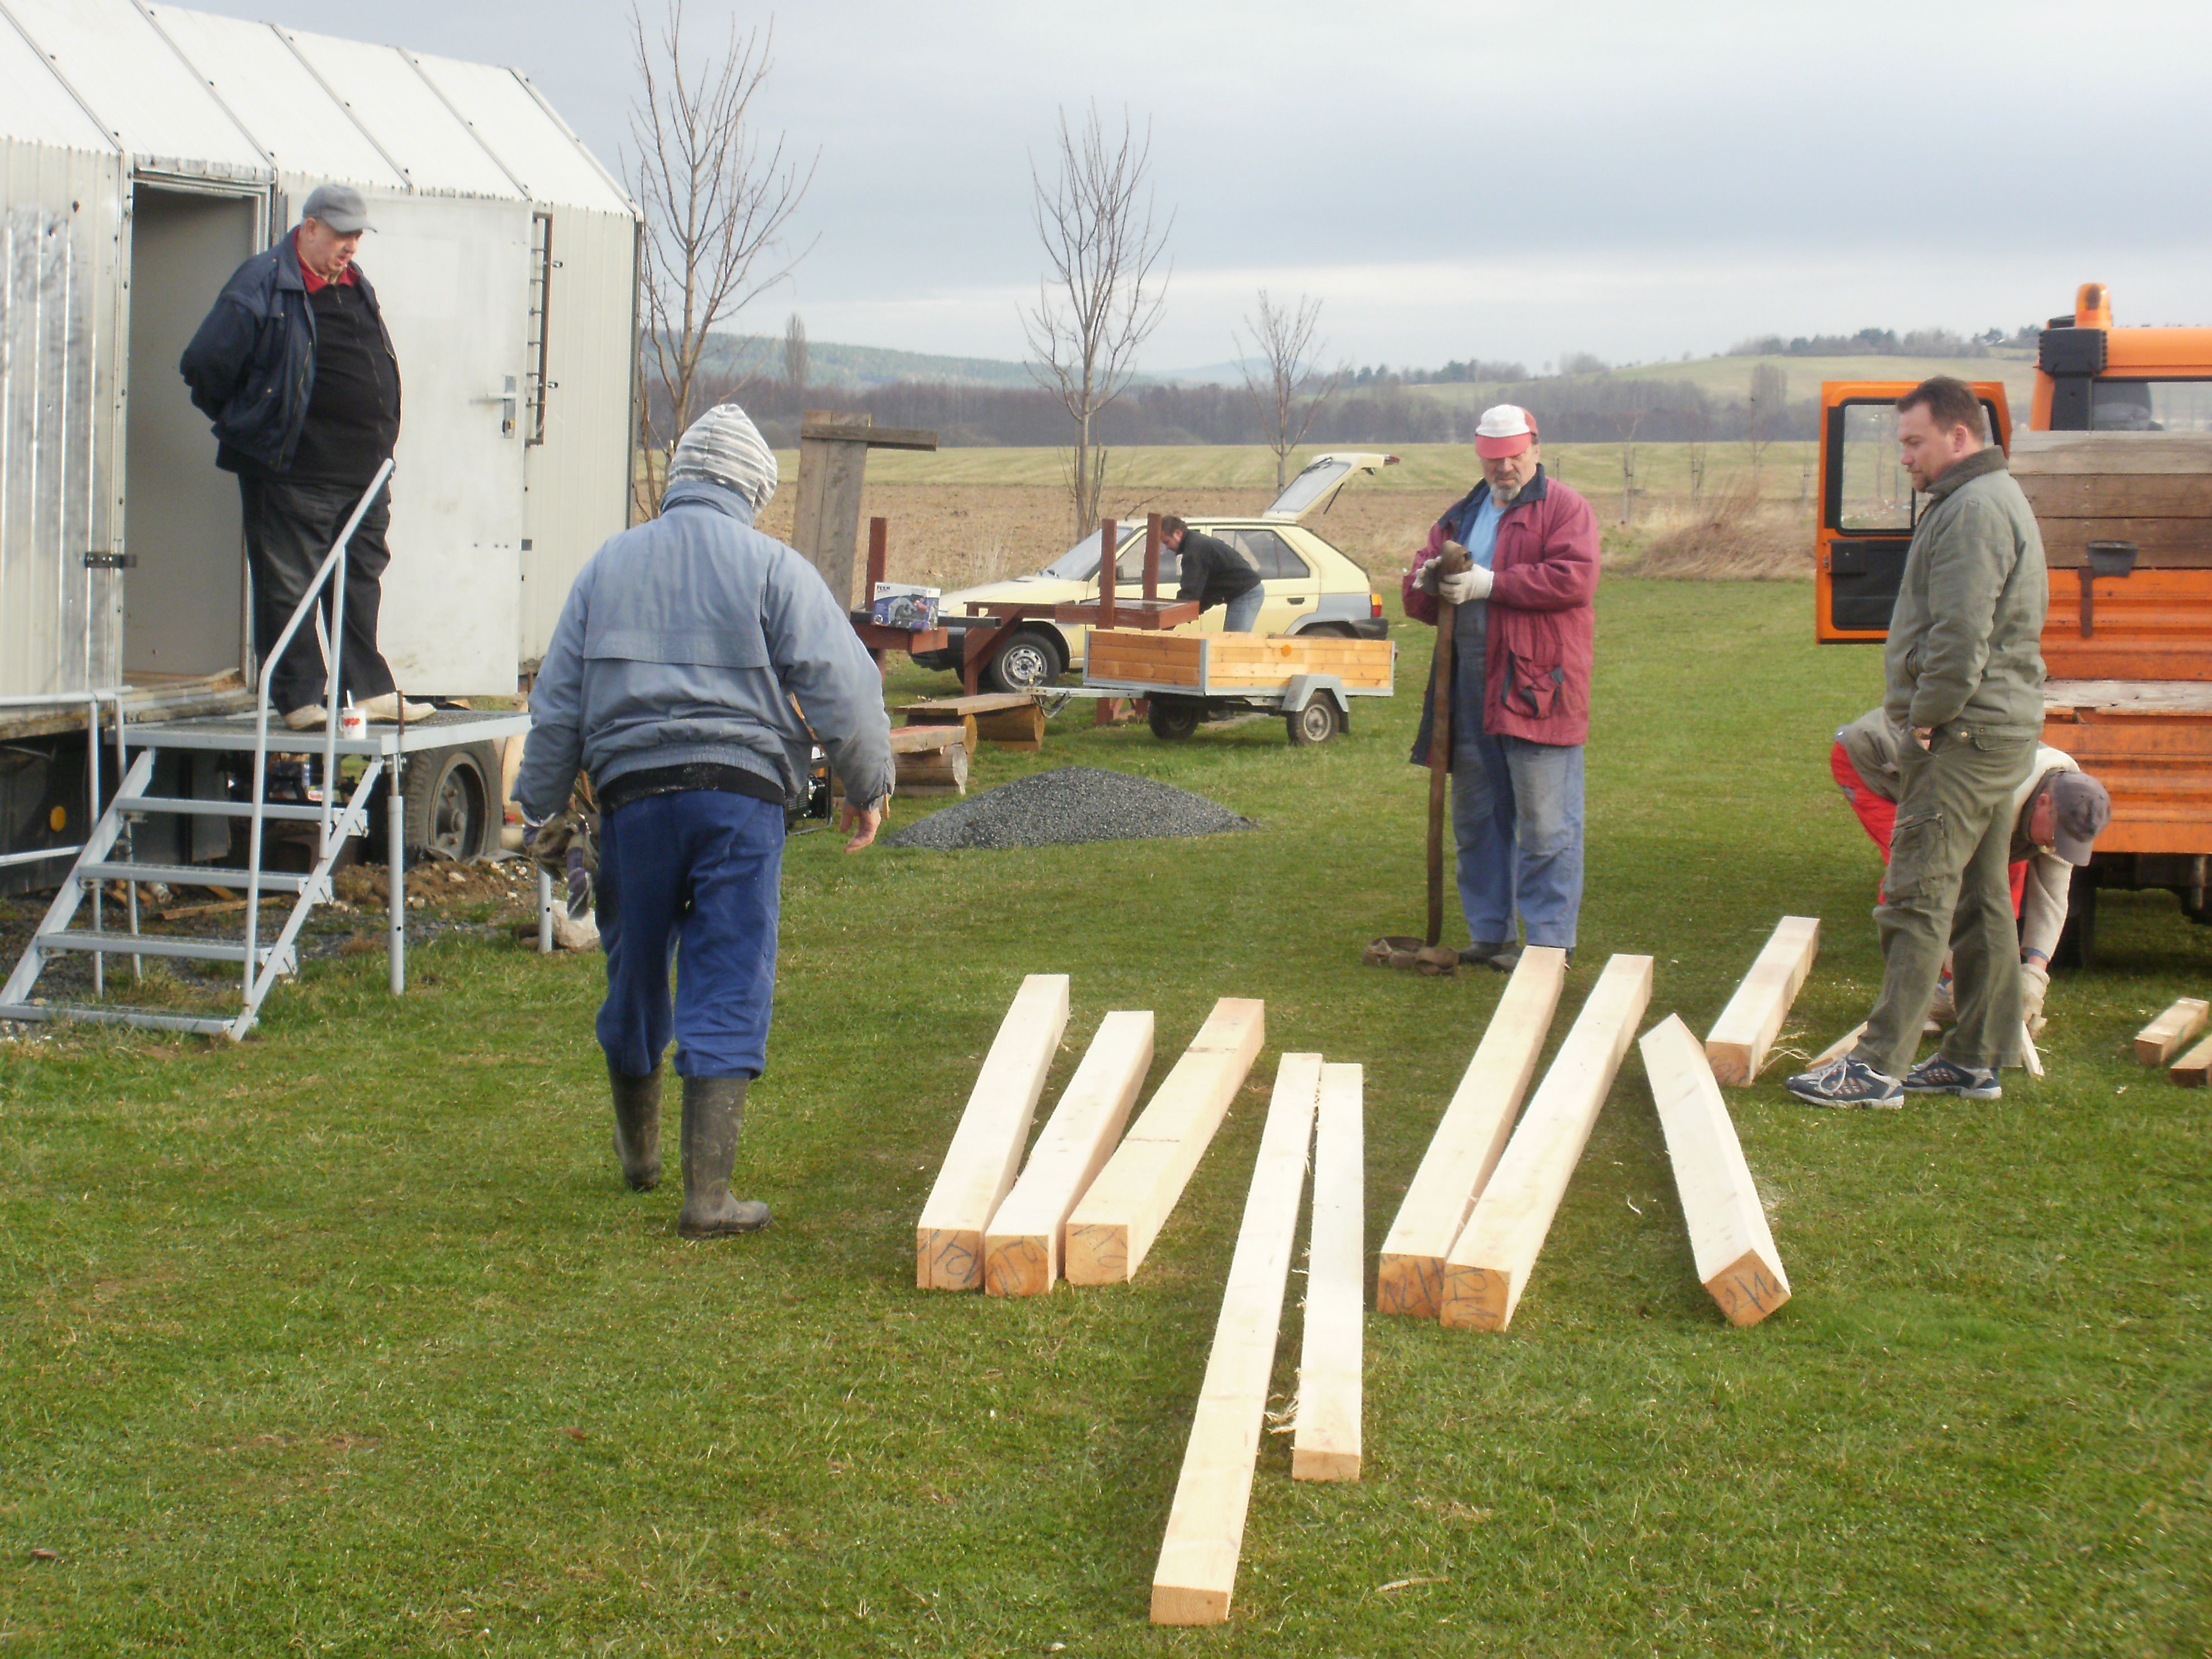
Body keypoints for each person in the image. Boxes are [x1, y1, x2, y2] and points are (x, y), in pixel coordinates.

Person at [516, 403, 894, 1238]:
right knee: (727, 967)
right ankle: (708, 1197)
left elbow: (559, 702)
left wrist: (540, 806)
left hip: (631, 803)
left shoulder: (606, 567)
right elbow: (847, 686)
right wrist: (868, 785)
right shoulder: (772, 567)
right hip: (739, 802)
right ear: (752, 487)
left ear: (684, 476)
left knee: (636, 966)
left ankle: (638, 1159)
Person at [1787, 377, 2048, 1108]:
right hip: (1999, 730)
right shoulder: (1988, 498)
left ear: (1957, 436)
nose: (1904, 457)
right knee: (1982, 897)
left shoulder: (1972, 511)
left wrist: (1924, 721)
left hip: (1963, 736)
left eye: (1913, 441)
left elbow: (1960, 636)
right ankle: (1974, 1059)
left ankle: (1875, 1067)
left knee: (1917, 895)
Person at [180, 183, 430, 731]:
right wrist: (252, 422)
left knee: (360, 581)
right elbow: (204, 365)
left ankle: (365, 690)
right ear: (310, 227)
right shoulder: (264, 282)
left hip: (364, 475)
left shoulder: (353, 283)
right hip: (294, 471)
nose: (351, 247)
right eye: (342, 235)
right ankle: (298, 700)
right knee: (291, 586)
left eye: (358, 236)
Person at [1401, 405, 1599, 969]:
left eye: (1513, 455)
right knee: (1476, 817)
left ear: (1535, 447)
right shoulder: (1462, 515)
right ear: (1480, 458)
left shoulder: (1564, 509)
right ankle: (1490, 934)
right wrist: (1421, 582)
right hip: (1466, 689)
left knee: (1545, 821)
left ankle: (1546, 942)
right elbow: (1419, 591)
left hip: (1538, 685)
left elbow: (1574, 578)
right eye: (1493, 459)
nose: (1504, 468)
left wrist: (1493, 584)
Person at [1831, 707, 2111, 1032]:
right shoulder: (1985, 801)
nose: (2052, 846)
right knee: (1911, 878)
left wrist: (2034, 974)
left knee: (2011, 875)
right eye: (2053, 836)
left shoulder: (2064, 805)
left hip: (1944, 779)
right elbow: (1933, 880)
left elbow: (2051, 896)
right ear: (2044, 803)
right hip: (1880, 763)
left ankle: (1951, 993)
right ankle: (1908, 998)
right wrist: (1967, 973)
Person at [1162, 516, 1265, 632]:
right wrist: (1190, 612)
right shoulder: (1196, 545)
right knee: (1230, 642)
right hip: (1241, 591)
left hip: (1247, 592)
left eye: (1167, 542)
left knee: (1233, 642)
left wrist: (1169, 623)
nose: (1166, 548)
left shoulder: (1195, 550)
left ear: (1178, 533)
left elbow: (1190, 592)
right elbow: (1205, 592)